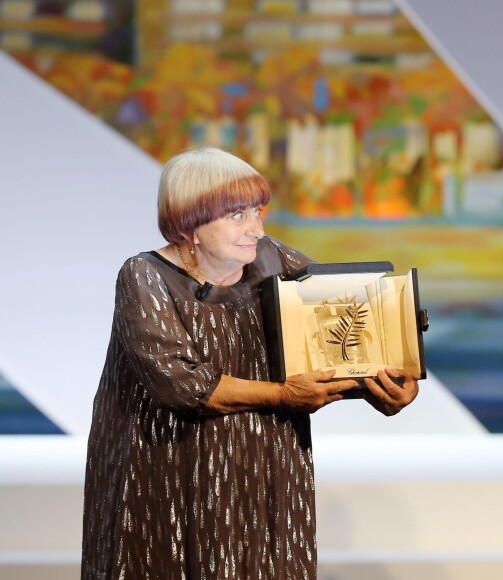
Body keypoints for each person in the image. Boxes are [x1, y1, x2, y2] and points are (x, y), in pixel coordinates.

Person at [81, 147, 419, 579]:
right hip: (173, 469)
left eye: (258, 212)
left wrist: (386, 381)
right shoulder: (144, 276)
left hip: (264, 467)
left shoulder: (272, 259)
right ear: (191, 223)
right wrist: (282, 394)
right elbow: (182, 385)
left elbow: (344, 318)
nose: (256, 229)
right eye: (238, 216)